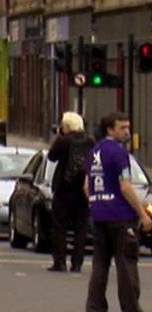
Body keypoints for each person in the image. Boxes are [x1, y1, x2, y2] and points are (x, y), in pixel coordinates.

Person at [86, 113, 152, 312]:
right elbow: (125, 186)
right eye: (122, 128)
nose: (127, 132)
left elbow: (86, 186)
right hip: (121, 218)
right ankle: (131, 308)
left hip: (99, 216)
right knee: (126, 267)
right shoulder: (119, 152)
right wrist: (142, 214)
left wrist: (96, 204)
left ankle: (95, 307)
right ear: (110, 129)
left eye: (128, 127)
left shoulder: (93, 152)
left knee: (100, 266)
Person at [47, 111, 94, 272]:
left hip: (64, 187)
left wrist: (60, 137)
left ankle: (60, 261)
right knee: (80, 228)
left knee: (60, 227)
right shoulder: (90, 141)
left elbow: (51, 157)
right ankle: (77, 262)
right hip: (83, 188)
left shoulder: (63, 141)